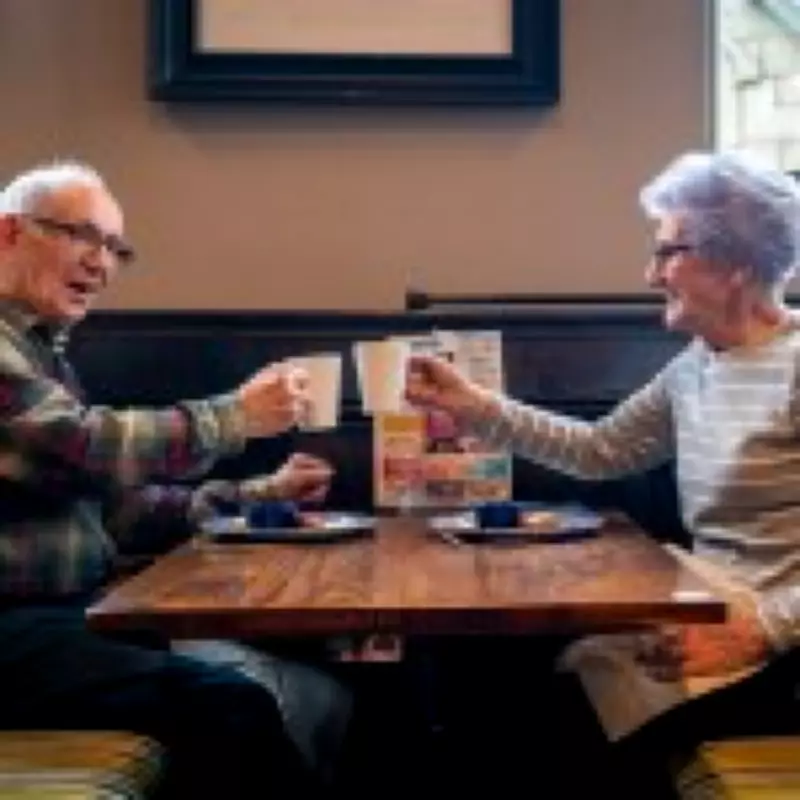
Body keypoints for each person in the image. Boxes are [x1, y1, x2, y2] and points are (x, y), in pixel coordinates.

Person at [405, 151, 800, 797]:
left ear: (735, 264)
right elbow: (599, 450)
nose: (650, 273)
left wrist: (764, 632)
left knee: (543, 712)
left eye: (669, 252)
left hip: (779, 655)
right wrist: (475, 408)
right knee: (488, 671)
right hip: (712, 620)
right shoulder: (698, 366)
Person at [0, 160, 349, 797]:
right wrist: (235, 416)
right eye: (81, 235)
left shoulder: (39, 352)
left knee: (316, 676)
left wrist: (258, 496)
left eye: (114, 247)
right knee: (231, 706)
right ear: (8, 234)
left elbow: (116, 509)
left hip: (70, 615)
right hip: (14, 629)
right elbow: (81, 445)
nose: (101, 264)